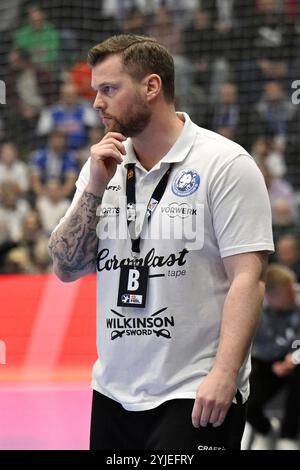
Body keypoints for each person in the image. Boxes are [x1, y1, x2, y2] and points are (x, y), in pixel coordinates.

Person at [48, 34, 274, 451]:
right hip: (113, 391)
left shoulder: (225, 164)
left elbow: (249, 279)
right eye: (96, 91)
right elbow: (65, 267)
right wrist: (94, 188)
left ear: (151, 87)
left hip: (195, 392)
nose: (97, 102)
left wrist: (224, 374)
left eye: (109, 89)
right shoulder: (102, 165)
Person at [247, 264, 300, 450]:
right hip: (264, 362)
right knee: (246, 400)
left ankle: (289, 435)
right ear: (269, 296)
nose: (293, 296)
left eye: (293, 290)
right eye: (287, 294)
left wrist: (293, 359)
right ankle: (266, 431)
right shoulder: (255, 309)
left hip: (293, 359)